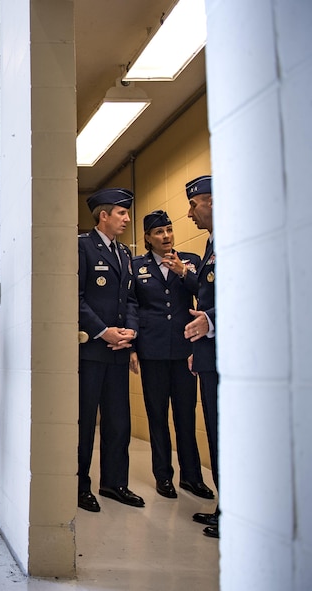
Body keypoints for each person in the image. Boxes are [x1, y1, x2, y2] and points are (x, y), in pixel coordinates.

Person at [129, 210, 213, 501]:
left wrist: (183, 272)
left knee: (186, 415)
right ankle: (163, 476)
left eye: (169, 230)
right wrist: (133, 348)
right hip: (151, 351)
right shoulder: (136, 265)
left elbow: (204, 293)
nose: (166, 236)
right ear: (148, 238)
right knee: (156, 416)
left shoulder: (190, 261)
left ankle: (192, 477)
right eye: (159, 233)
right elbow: (133, 307)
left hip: (184, 350)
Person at [77, 188, 142, 512]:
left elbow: (130, 300)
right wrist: (103, 332)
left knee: (119, 421)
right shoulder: (82, 247)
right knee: (85, 421)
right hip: (91, 351)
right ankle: (80, 486)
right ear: (104, 215)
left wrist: (130, 331)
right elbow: (76, 298)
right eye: (121, 213)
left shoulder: (124, 255)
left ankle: (115, 483)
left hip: (118, 349)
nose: (127, 219)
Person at [183, 175, 220, 538]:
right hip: (210, 356)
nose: (190, 212)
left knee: (227, 434)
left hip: (230, 361)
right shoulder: (212, 244)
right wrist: (200, 347)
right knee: (215, 432)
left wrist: (210, 323)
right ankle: (226, 508)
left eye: (194, 204)